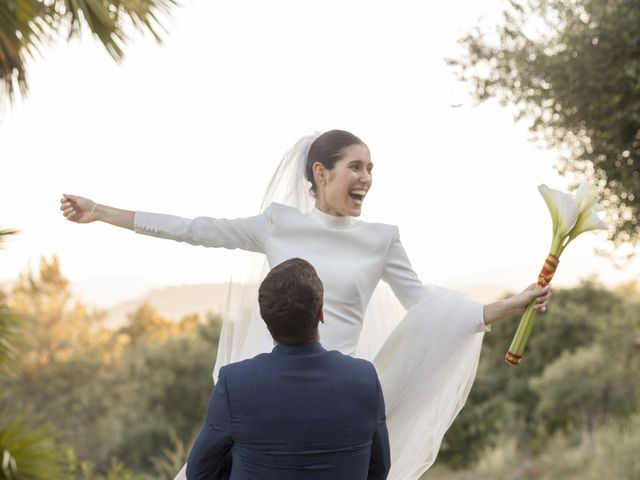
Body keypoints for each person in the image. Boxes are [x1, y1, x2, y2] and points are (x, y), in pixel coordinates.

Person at [60, 129, 551, 479]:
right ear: (321, 172)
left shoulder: (381, 239)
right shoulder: (278, 224)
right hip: (263, 389)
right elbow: (192, 229)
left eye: (371, 168)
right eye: (355, 167)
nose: (367, 178)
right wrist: (101, 212)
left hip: (339, 393)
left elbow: (426, 308)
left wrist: (513, 304)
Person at [186, 257, 391, 480]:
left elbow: (199, 472)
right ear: (320, 313)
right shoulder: (364, 378)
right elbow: (378, 469)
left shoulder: (235, 382)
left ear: (266, 320)